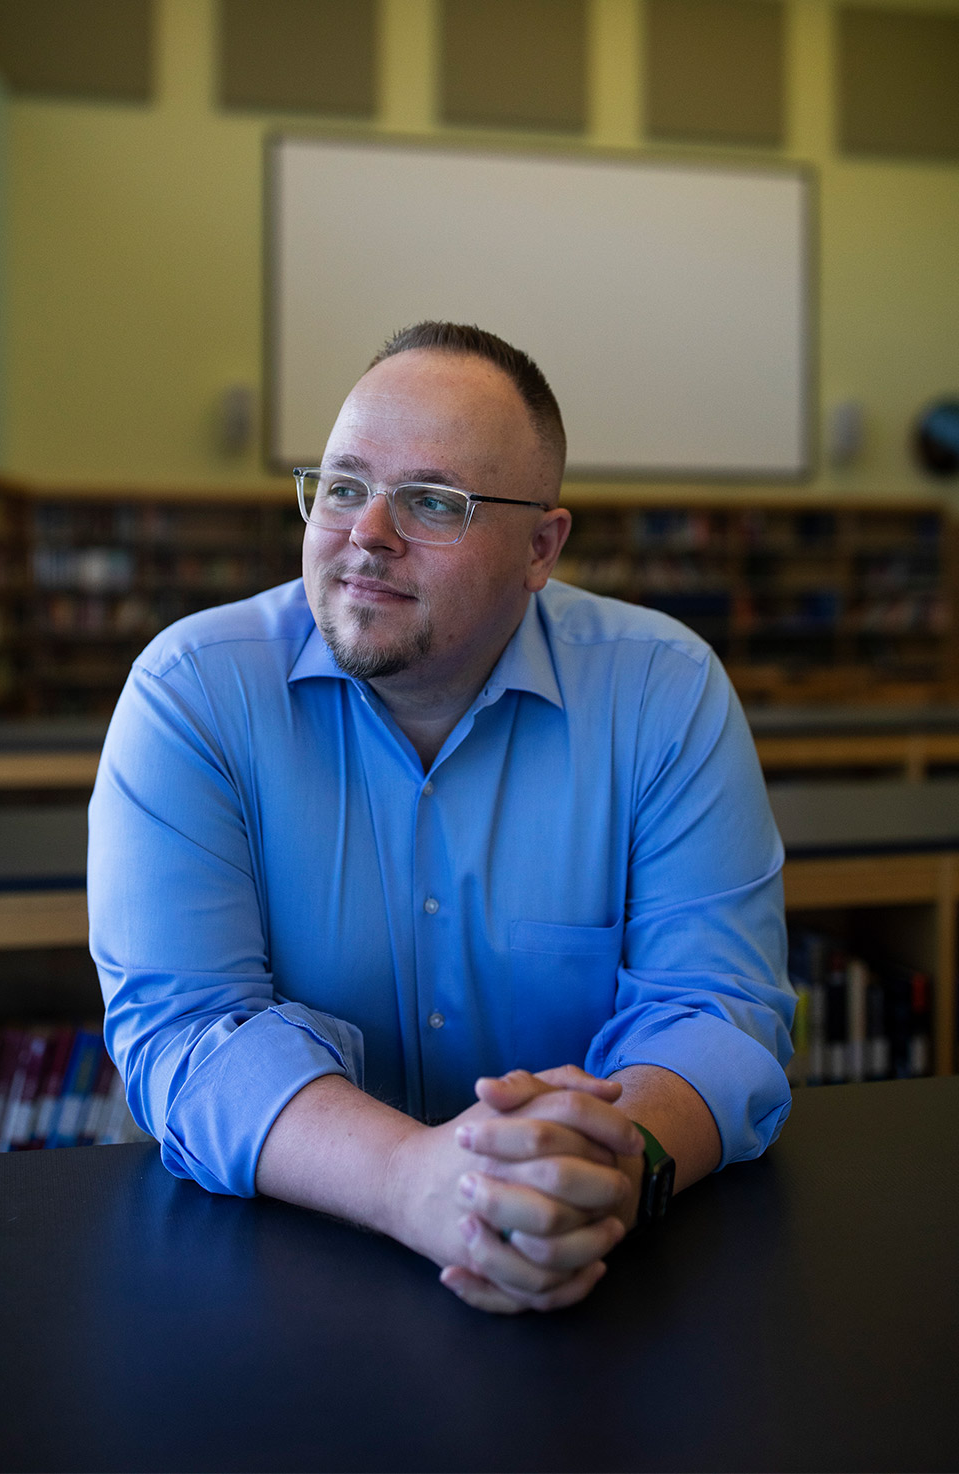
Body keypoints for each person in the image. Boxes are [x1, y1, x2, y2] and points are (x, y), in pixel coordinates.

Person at [88, 321, 796, 1315]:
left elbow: (718, 1008)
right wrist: (414, 1178)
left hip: (604, 1277)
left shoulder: (663, 691)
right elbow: (189, 1028)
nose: (365, 532)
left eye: (431, 500)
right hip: (283, 1291)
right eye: (341, 485)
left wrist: (610, 1166)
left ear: (541, 546)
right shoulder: (192, 690)